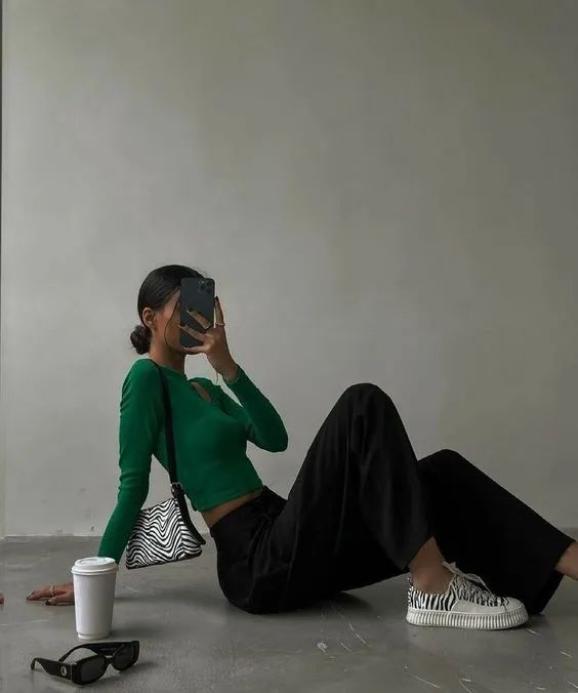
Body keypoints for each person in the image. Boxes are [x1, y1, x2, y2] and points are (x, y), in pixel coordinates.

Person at [25, 264, 578, 629]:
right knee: (362, 404)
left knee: (443, 472)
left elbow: (274, 438)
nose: (195, 318)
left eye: (201, 308)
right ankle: (432, 584)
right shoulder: (145, 380)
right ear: (149, 319)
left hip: (285, 530)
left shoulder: (204, 390)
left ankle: (566, 563)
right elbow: (131, 485)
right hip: (256, 563)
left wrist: (226, 366)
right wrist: (91, 577)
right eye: (181, 309)